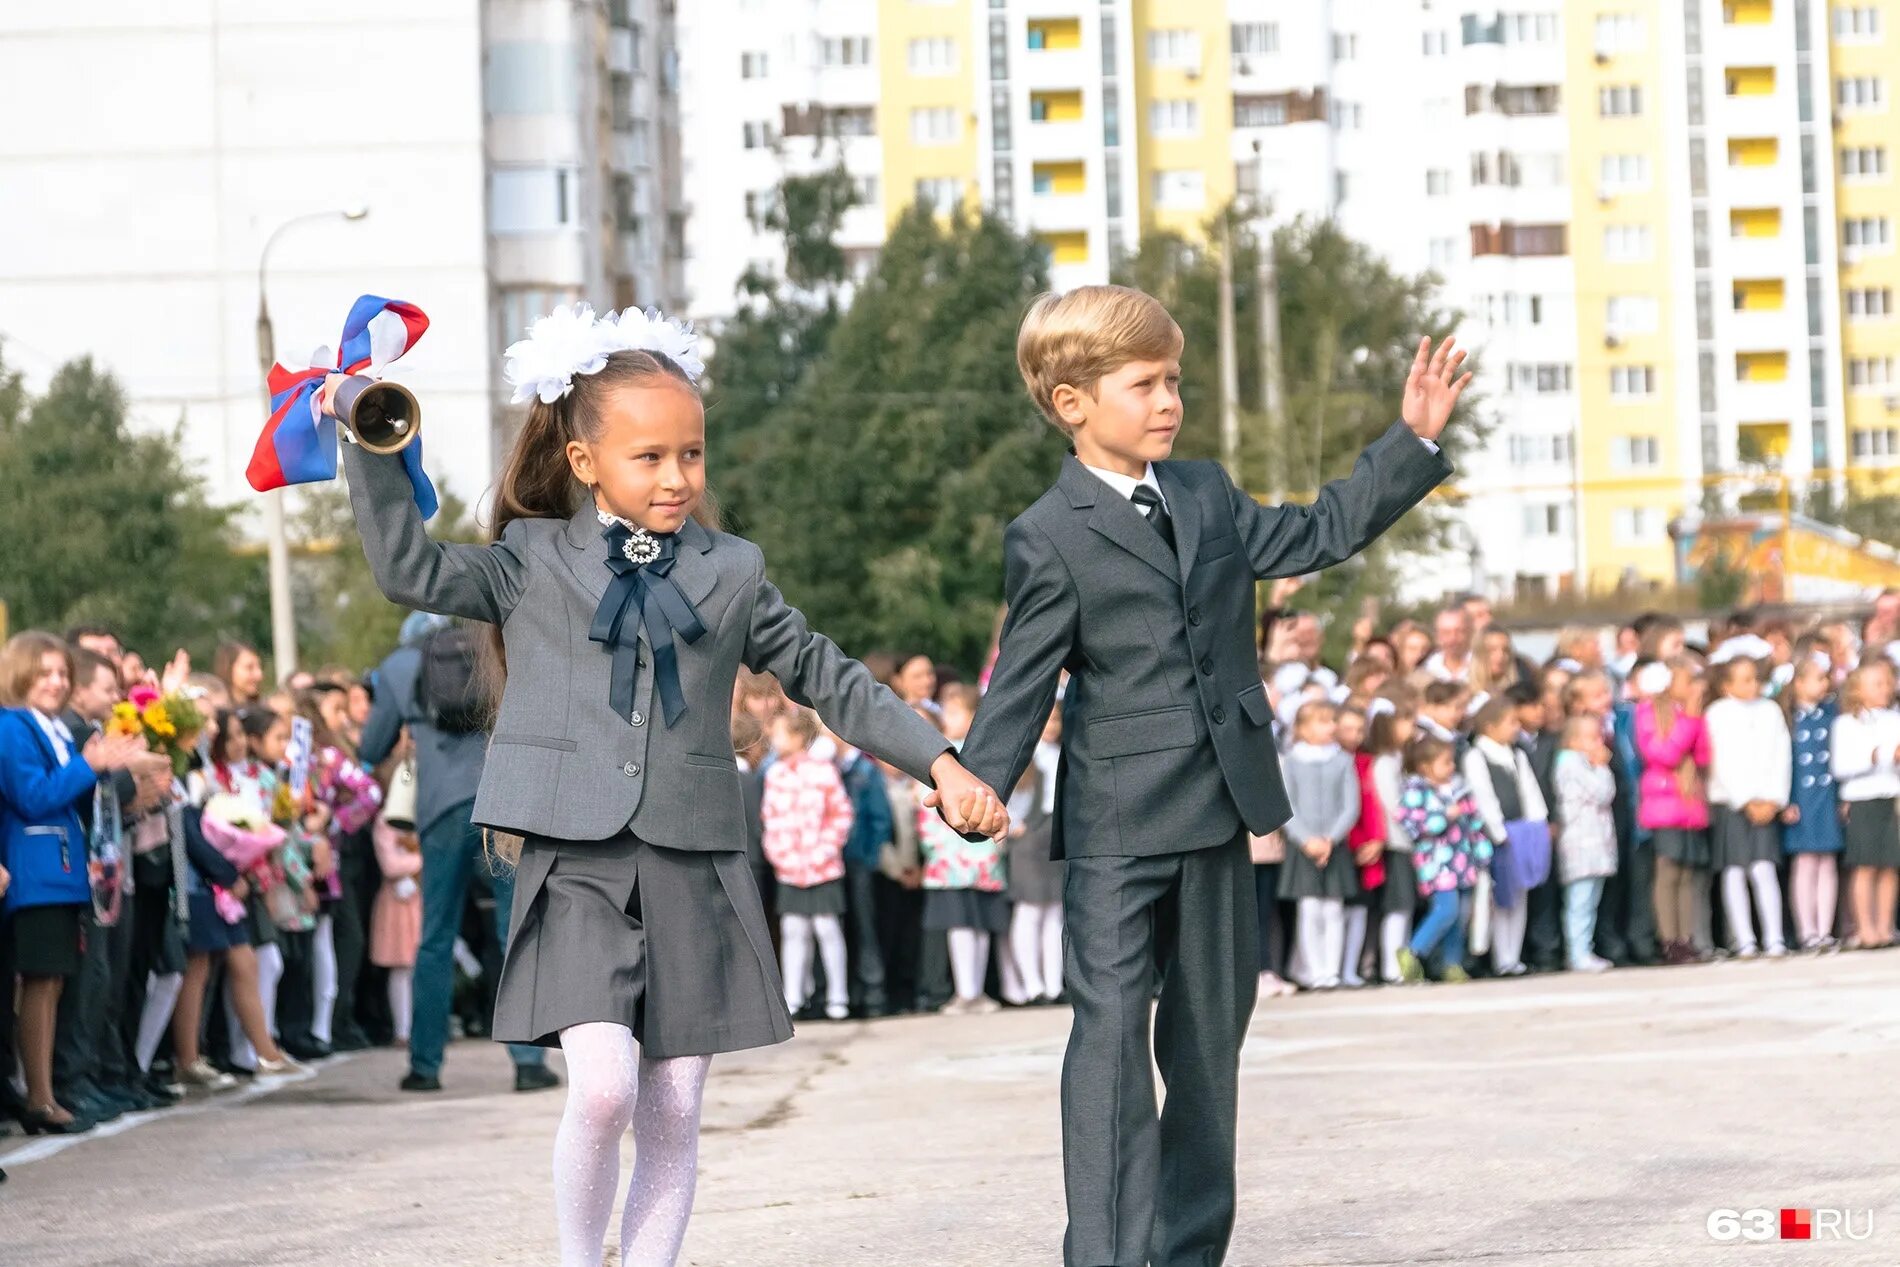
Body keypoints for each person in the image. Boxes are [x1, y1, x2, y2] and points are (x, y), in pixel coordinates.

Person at [335, 303, 1004, 1267]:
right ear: (583, 460)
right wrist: (368, 436)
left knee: (676, 1102)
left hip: (695, 854)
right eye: (649, 457)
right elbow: (405, 568)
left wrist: (940, 760)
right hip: (573, 856)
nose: (678, 477)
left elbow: (825, 672)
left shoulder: (733, 569)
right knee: (602, 1087)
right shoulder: (529, 559)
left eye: (691, 455)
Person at [957, 284, 1462, 1267]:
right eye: (1144, 383)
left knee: (1204, 1055)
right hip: (1111, 824)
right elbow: (1020, 678)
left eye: (1173, 380)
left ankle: (1186, 1253)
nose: (1167, 400)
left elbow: (1319, 531)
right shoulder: (1045, 532)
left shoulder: (1205, 492)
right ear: (1071, 402)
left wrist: (1407, 443)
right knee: (1107, 1044)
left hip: (1220, 811)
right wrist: (980, 780)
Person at [359, 609, 557, 1092]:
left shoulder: (400, 665)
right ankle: (528, 1060)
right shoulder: (495, 651)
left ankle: (425, 1067)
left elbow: (371, 745)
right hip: (502, 800)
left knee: (436, 937)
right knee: (515, 930)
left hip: (440, 808)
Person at [0, 632, 145, 1133]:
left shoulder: (52, 728)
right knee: (40, 983)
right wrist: (91, 764)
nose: (57, 683)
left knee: (55, 982)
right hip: (35, 872)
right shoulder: (13, 727)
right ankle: (39, 1096)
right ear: (19, 674)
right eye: (44, 673)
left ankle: (45, 1092)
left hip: (61, 873)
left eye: (62, 673)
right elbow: (33, 796)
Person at [760, 707, 856, 1022]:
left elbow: (840, 814)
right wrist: (780, 854)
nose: (774, 740)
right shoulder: (775, 774)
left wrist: (824, 851)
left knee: (827, 929)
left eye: (780, 733)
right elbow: (770, 819)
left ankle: (837, 997)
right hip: (789, 868)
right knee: (793, 930)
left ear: (799, 737)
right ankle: (794, 998)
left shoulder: (824, 771)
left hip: (823, 866)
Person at [918, 685, 1008, 1015]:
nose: (947, 718)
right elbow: (924, 805)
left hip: (982, 859)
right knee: (958, 925)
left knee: (980, 924)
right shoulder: (939, 758)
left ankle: (977, 991)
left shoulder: (981, 755)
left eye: (954, 712)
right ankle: (964, 991)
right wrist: (934, 845)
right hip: (949, 860)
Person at [1704, 657, 1791, 959]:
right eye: (1744, 680)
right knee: (1734, 871)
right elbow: (1720, 762)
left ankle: (1774, 937)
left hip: (1766, 801)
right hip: (1732, 803)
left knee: (1764, 868)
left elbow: (1781, 755)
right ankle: (1744, 939)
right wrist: (1745, 799)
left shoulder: (1770, 710)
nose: (1752, 685)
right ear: (1726, 685)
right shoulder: (1717, 714)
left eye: (1755, 678)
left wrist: (1773, 798)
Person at [1461, 697, 1550, 977]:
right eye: (1510, 722)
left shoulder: (1517, 755)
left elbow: (1530, 792)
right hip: (1500, 835)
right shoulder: (1476, 757)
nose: (1516, 728)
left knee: (1520, 894)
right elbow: (1483, 796)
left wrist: (1538, 824)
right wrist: (1498, 832)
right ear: (1490, 726)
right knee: (1502, 897)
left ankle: (1513, 955)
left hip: (1523, 831)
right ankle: (1501, 957)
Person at [1277, 700, 1361, 990]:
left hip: (1333, 846)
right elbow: (1287, 806)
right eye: (1323, 722)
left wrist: (1330, 839)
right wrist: (1307, 840)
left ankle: (1331, 970)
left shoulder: (1342, 760)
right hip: (1304, 847)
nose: (1331, 727)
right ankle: (1313, 970)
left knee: (1334, 910)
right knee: (1310, 909)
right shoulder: (1292, 760)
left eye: (1332, 721)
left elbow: (1350, 806)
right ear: (1303, 728)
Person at [1635, 658, 1713, 966]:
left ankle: (1686, 938)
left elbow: (1703, 755)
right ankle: (1669, 939)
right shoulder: (1648, 715)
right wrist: (1691, 720)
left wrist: (1694, 719)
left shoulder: (1688, 716)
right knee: (1668, 872)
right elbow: (1665, 754)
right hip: (1664, 804)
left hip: (1688, 802)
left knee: (1686, 873)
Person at [1395, 735, 1490, 984]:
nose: (1451, 767)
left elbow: (1474, 822)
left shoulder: (1460, 788)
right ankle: (1414, 951)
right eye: (1445, 762)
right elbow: (1415, 825)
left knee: (1461, 915)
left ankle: (1452, 963)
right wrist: (1444, 816)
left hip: (1463, 860)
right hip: (1436, 862)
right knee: (1446, 909)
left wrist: (1482, 851)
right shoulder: (1416, 791)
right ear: (1426, 766)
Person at [1829, 659, 1900, 950]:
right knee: (1866, 864)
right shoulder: (1846, 724)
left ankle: (1885, 927)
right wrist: (1879, 755)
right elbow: (1841, 766)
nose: (1886, 689)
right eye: (1878, 684)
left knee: (1890, 866)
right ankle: (1865, 928)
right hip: (1862, 798)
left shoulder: (1895, 718)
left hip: (1891, 796)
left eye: (1888, 683)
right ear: (1858, 690)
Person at [834, 724, 897, 1017]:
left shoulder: (865, 770)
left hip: (858, 860)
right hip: (826, 861)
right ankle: (845, 993)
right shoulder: (823, 767)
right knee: (835, 928)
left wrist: (869, 858)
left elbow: (880, 818)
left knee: (865, 925)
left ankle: (873, 992)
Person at [1781, 656, 1843, 952]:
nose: (1825, 684)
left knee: (1827, 862)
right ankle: (1806, 930)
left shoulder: (1830, 715)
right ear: (1798, 683)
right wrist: (1788, 800)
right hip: (1802, 801)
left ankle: (1824, 929)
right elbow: (1784, 765)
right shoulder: (1789, 718)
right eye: (1818, 678)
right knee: (1805, 863)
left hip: (1826, 798)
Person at [1007, 706, 1066, 1005]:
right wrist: (1014, 825)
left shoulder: (1065, 753)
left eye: (1056, 719)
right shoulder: (1027, 756)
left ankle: (1054, 985)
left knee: (1055, 913)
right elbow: (1011, 792)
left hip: (1057, 834)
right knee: (1029, 911)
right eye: (1047, 720)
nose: (1052, 726)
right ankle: (1032, 985)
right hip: (1030, 837)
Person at [1551, 716, 1617, 972]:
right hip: (1581, 845)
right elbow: (1602, 793)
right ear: (1573, 741)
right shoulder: (1570, 765)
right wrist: (1602, 766)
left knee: (1589, 901)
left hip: (1594, 844)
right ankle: (1578, 953)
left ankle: (1584, 949)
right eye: (1592, 738)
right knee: (1580, 902)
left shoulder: (1583, 764)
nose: (1599, 743)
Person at [1367, 705, 1419, 984]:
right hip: (1397, 842)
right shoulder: (1385, 762)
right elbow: (1393, 804)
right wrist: (1418, 824)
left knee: (1406, 906)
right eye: (1406, 721)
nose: (1412, 728)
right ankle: (1391, 966)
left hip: (1408, 842)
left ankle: (1401, 963)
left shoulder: (1400, 758)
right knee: (1398, 906)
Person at [369, 812, 424, 1043]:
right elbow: (390, 865)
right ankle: (402, 1031)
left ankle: (419, 1026)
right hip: (397, 900)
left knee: (418, 965)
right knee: (401, 966)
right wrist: (422, 859)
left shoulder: (419, 812)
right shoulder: (386, 820)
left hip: (418, 896)